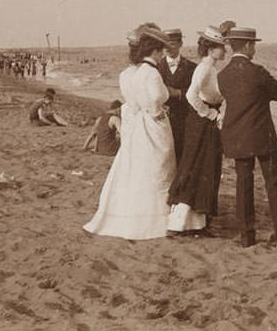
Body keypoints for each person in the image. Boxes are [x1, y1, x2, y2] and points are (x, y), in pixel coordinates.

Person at [83, 26, 176, 240]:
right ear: (154, 52)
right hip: (152, 124)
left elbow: (132, 101)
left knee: (136, 167)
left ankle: (131, 213)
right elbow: (155, 99)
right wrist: (159, 111)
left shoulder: (130, 73)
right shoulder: (151, 73)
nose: (163, 55)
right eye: (161, 51)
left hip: (136, 126)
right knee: (157, 167)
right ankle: (156, 218)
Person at [218, 26, 277, 249]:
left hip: (237, 136)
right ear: (249, 46)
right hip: (262, 137)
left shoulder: (223, 75)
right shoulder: (257, 72)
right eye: (254, 45)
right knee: (274, 184)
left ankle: (247, 237)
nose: (255, 49)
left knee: (243, 185)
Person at [167, 26, 227, 234]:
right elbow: (192, 95)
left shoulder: (210, 67)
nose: (225, 51)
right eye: (221, 47)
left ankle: (195, 223)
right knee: (196, 167)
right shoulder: (204, 68)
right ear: (211, 49)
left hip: (203, 123)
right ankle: (183, 222)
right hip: (201, 123)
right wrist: (210, 114)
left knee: (203, 169)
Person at [157, 29, 197, 165]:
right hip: (161, 119)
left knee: (181, 155)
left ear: (181, 44)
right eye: (165, 44)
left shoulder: (192, 67)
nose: (167, 47)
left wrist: (179, 93)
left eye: (172, 44)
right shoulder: (155, 67)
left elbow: (197, 93)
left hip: (183, 119)